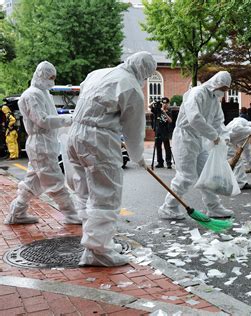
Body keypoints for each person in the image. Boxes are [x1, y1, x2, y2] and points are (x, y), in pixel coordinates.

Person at [67, 51, 156, 266]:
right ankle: (98, 251)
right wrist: (138, 157)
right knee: (106, 196)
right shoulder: (131, 87)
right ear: (144, 71)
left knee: (86, 193)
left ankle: (97, 243)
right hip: (98, 140)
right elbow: (134, 130)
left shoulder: (98, 73)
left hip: (74, 135)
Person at [4, 61, 81, 225]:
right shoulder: (32, 95)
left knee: (32, 182)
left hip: (46, 143)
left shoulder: (43, 93)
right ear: (41, 75)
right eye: (50, 77)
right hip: (41, 144)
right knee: (55, 180)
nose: (52, 80)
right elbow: (42, 120)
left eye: (54, 77)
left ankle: (16, 213)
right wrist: (68, 119)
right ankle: (71, 214)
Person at [158, 71, 233, 220]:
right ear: (215, 83)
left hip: (199, 138)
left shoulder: (214, 101)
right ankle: (168, 207)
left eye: (226, 89)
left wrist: (225, 137)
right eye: (222, 88)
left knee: (207, 174)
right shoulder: (197, 93)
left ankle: (214, 207)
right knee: (186, 176)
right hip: (184, 137)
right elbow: (194, 118)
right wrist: (214, 135)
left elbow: (218, 122)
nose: (223, 92)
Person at [227, 117, 251, 190]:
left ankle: (231, 181)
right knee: (238, 161)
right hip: (225, 142)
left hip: (229, 145)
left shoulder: (247, 136)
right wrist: (250, 130)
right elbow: (235, 129)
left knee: (232, 163)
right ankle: (240, 183)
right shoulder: (242, 121)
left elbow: (248, 152)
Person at [150, 97, 172, 169]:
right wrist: (154, 103)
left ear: (168, 103)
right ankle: (160, 162)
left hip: (165, 131)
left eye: (166, 103)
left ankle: (168, 163)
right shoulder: (158, 110)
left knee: (167, 147)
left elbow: (170, 120)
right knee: (158, 147)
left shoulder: (169, 111)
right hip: (158, 130)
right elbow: (150, 107)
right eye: (163, 103)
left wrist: (164, 112)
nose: (164, 104)